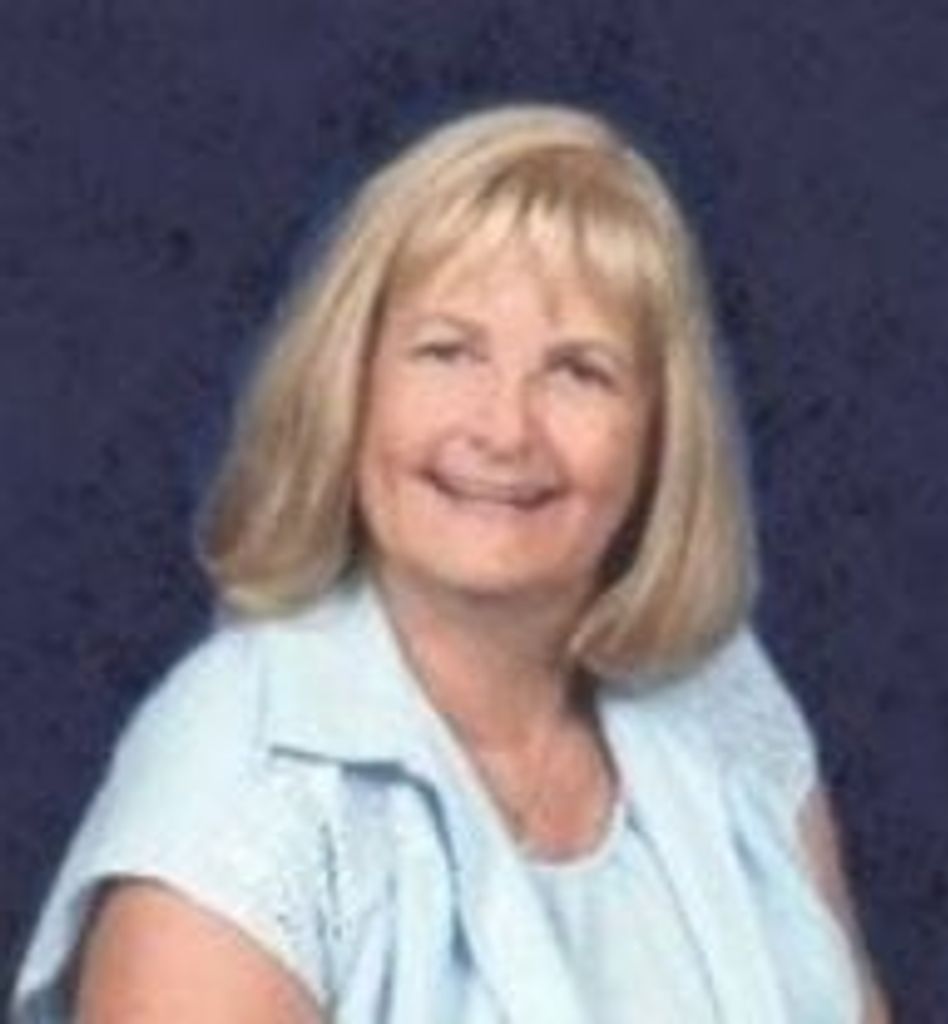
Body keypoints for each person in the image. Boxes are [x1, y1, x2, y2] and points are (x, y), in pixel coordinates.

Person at [11, 104, 889, 1022]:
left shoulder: (720, 696)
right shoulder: (236, 787)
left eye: (579, 371)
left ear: (661, 435)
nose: (505, 429)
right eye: (448, 352)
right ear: (349, 385)